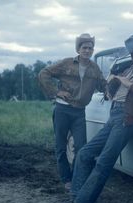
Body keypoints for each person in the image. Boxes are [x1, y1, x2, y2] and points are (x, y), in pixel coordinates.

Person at [56, 30, 133, 203]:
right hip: (113, 116)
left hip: (127, 118)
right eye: (132, 53)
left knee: (104, 162)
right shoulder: (129, 69)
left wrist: (128, 83)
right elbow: (111, 90)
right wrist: (111, 85)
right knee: (83, 153)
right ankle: (75, 198)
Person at [38, 33, 106, 191]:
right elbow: (43, 74)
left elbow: (103, 85)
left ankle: (77, 177)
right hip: (62, 109)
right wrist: (56, 92)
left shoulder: (94, 68)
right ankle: (66, 179)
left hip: (79, 112)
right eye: (84, 47)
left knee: (82, 147)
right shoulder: (67, 63)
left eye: (90, 48)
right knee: (61, 146)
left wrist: (113, 85)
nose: (87, 50)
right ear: (78, 49)